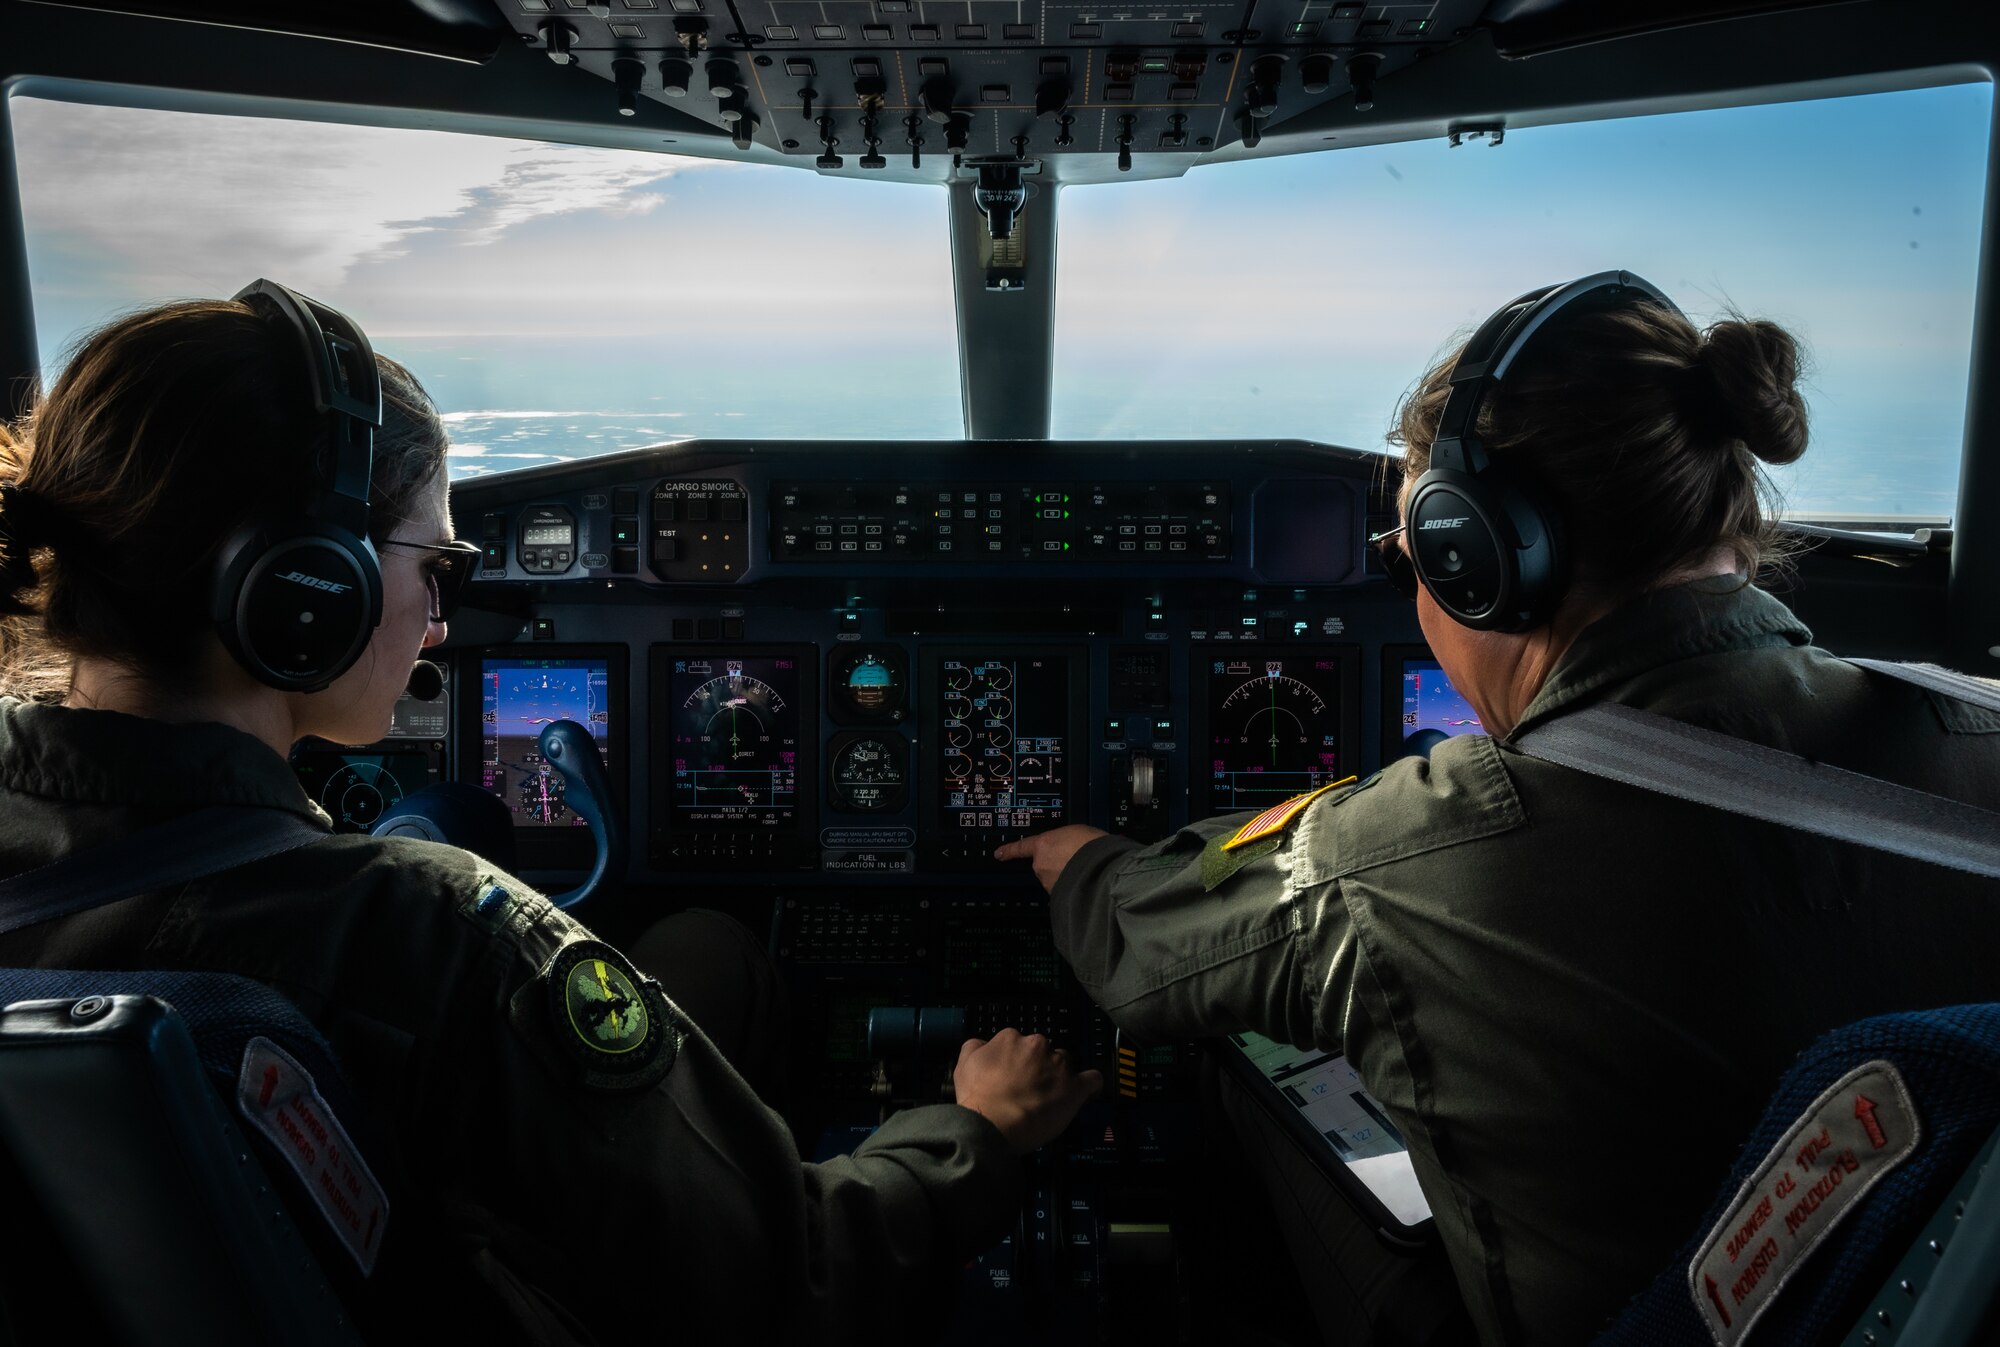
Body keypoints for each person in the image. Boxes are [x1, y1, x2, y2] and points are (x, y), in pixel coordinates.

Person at [0, 285, 1099, 1343]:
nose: (439, 623)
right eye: (435, 567)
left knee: (699, 948)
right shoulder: (441, 939)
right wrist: (981, 1133)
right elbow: (795, 1280)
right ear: (304, 587)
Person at [998, 273, 2000, 1346]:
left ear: (1471, 557)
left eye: (1408, 560)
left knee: (1235, 1058)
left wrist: (1089, 862)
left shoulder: (1406, 857)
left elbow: (1139, 953)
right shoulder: (1979, 729)